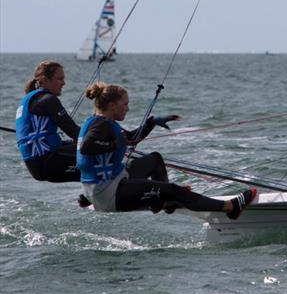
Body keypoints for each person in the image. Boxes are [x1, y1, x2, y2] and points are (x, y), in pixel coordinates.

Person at [77, 82, 256, 218]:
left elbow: (131, 139)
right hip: (108, 193)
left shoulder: (98, 121)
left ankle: (163, 200)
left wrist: (151, 123)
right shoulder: (101, 125)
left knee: (154, 159)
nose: (128, 108)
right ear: (112, 105)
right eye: (125, 104)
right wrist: (114, 145)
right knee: (173, 189)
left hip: (104, 186)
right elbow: (86, 147)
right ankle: (230, 207)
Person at [15, 61, 82, 182]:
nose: (64, 83)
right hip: (47, 161)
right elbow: (73, 130)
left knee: (84, 149)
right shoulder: (48, 100)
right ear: (45, 80)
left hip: (36, 163)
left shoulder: (30, 98)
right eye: (59, 79)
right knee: (101, 157)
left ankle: (86, 199)